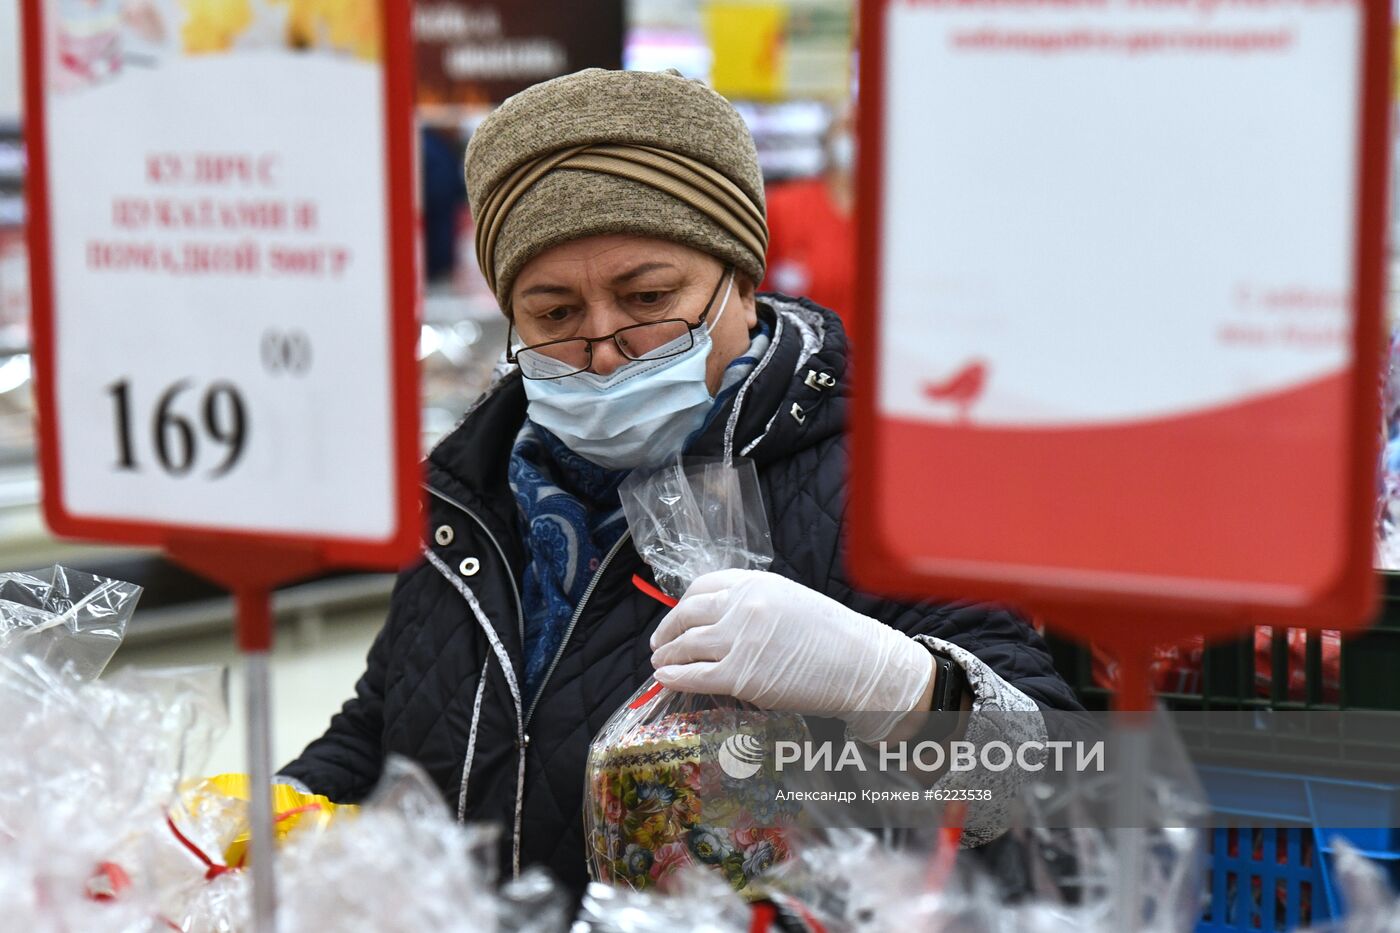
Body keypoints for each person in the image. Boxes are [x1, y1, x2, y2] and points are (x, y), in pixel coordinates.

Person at [279, 68, 1082, 897]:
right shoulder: (469, 493)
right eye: (553, 314)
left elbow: (1068, 800)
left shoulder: (884, 481)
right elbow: (383, 727)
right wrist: (271, 816)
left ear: (742, 277)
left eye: (648, 297)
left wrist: (900, 686)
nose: (602, 348)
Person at [762, 106, 857, 329]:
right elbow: (756, 290)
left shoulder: (891, 219)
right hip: (802, 345)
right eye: (848, 127)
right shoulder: (785, 206)